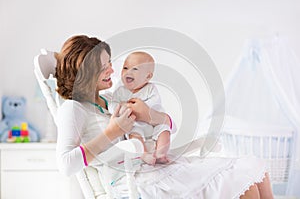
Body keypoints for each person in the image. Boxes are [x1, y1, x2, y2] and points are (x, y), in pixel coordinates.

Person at [55, 35, 274, 198]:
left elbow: (169, 124)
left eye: (110, 63)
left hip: (150, 167)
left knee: (257, 173)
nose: (112, 71)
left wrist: (151, 115)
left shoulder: (112, 99)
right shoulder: (73, 109)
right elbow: (65, 165)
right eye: (104, 67)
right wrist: (114, 131)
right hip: (133, 181)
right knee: (245, 188)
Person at [108, 51, 172, 165]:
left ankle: (161, 153)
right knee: (134, 135)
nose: (128, 72)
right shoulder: (120, 91)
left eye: (135, 69)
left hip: (153, 123)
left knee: (164, 130)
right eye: (125, 68)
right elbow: (113, 106)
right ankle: (144, 154)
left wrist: (142, 107)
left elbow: (155, 104)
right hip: (134, 124)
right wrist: (123, 108)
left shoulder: (150, 89)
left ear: (148, 76)